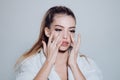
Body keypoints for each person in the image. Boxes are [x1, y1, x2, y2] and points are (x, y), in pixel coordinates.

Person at [15, 6, 103, 80]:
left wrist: (74, 65)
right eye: (59, 29)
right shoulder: (31, 63)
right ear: (47, 32)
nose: (65, 36)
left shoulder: (86, 63)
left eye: (71, 30)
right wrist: (49, 62)